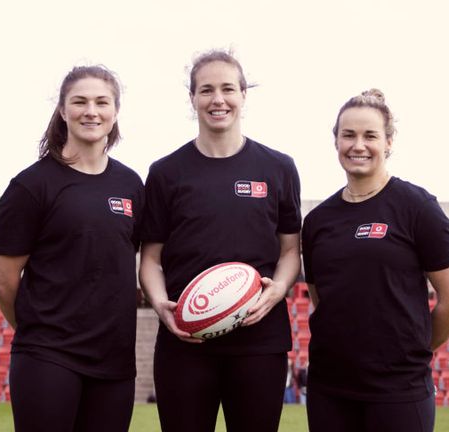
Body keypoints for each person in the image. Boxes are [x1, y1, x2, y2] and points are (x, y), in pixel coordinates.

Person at [139, 49, 301, 432]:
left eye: (228, 88)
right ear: (192, 98)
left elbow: (291, 250)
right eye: (206, 90)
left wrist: (277, 290)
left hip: (260, 340)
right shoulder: (165, 173)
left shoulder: (278, 167)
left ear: (244, 95)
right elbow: (150, 260)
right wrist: (161, 306)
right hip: (185, 342)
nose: (218, 99)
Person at [301, 89, 449, 432]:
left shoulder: (417, 207)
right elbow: (323, 301)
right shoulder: (317, 221)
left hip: (399, 390)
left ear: (389, 142)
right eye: (348, 135)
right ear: (335, 141)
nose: (358, 145)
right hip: (330, 388)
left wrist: (413, 352)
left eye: (370, 136)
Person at [0, 65, 144, 432]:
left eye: (101, 102)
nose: (91, 110)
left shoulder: (131, 184)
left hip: (114, 361)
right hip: (48, 357)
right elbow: (2, 279)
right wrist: (38, 332)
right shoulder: (31, 185)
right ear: (62, 110)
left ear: (115, 111)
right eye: (80, 101)